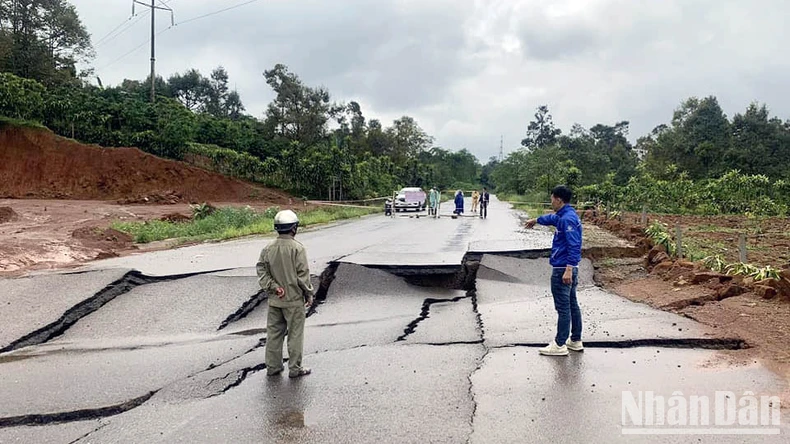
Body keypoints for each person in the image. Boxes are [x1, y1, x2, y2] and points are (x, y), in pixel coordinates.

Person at [524, 185, 583, 356]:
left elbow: (574, 246)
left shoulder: (567, 219)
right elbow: (551, 218)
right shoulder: (564, 215)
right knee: (572, 304)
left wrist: (568, 269)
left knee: (563, 307)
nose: (551, 202)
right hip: (566, 267)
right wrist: (536, 220)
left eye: (552, 199)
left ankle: (559, 344)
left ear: (558, 199)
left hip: (562, 268)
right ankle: (575, 340)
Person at [256, 209, 314, 377]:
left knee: (274, 334)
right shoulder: (298, 248)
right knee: (295, 335)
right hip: (294, 301)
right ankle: (295, 369)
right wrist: (309, 294)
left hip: (275, 300)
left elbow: (261, 270)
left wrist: (273, 287)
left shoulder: (268, 248)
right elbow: (302, 276)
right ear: (294, 228)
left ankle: (273, 367)